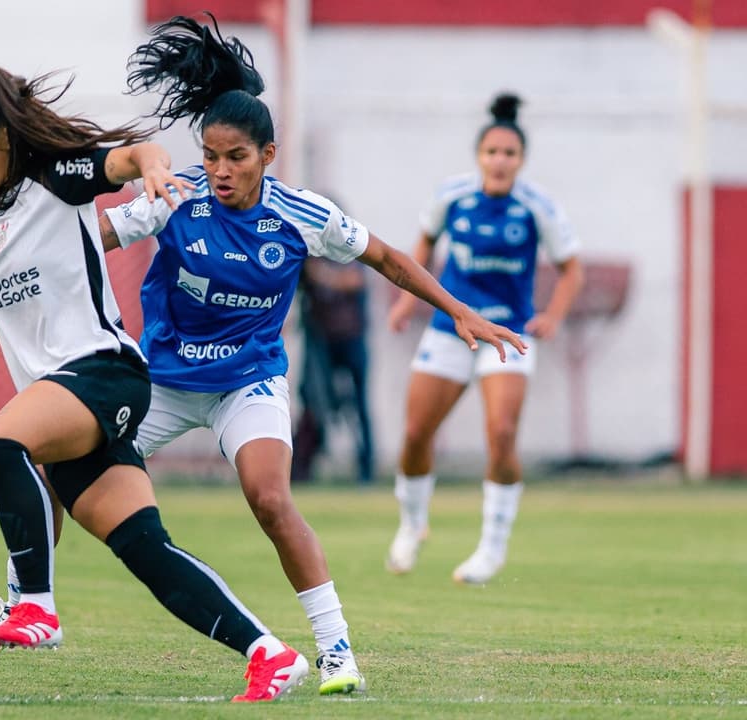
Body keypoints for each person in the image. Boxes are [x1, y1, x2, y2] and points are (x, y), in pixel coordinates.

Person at [0, 64, 309, 702]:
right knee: (146, 548)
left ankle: (34, 604)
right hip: (73, 395)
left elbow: (133, 156)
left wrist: (156, 167)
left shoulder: (56, 174)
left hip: (104, 372)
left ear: (2, 135)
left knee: (1, 440)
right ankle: (269, 654)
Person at [95, 16, 527, 695]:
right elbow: (92, 241)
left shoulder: (302, 214)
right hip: (168, 382)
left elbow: (386, 257)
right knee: (68, 469)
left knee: (270, 499)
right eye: (210, 156)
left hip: (249, 382)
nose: (219, 170)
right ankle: (28, 606)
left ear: (269, 154)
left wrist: (458, 310)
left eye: (236, 157)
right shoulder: (173, 197)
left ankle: (336, 653)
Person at [385, 93, 583, 585]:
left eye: (509, 154)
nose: (499, 161)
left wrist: (553, 315)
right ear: (479, 156)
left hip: (508, 336)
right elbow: (425, 244)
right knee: (414, 434)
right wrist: (409, 302)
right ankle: (412, 524)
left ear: (521, 161)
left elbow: (571, 268)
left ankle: (492, 548)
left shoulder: (537, 206)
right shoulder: (452, 196)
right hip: (450, 330)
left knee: (501, 433)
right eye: (491, 152)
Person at [291, 255, 375, 486]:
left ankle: (366, 470)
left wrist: (322, 275)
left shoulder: (350, 250)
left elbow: (355, 280)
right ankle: (301, 468)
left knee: (359, 407)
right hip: (319, 343)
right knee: (313, 404)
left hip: (351, 339)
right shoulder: (309, 255)